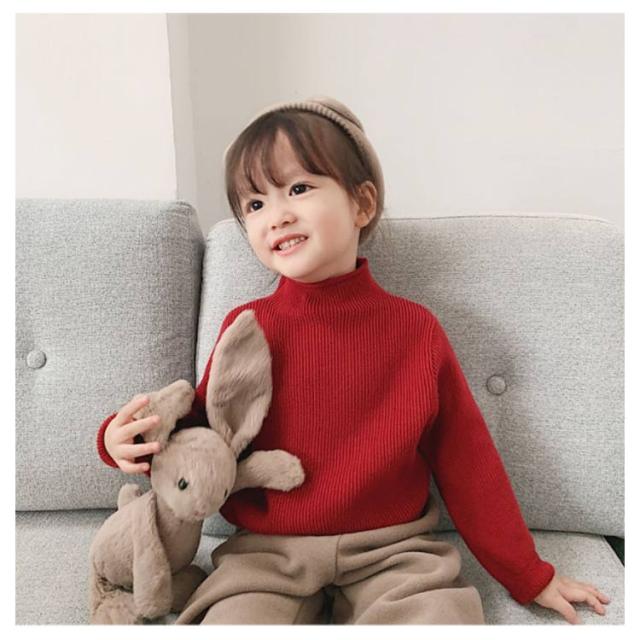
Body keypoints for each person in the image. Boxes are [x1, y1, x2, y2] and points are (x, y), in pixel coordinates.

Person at [96, 96, 610, 625]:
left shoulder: (416, 331)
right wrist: (122, 439)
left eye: (298, 189)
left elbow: (468, 462)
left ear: (361, 204)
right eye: (255, 204)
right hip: (267, 554)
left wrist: (529, 573)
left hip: (394, 552)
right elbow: (203, 434)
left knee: (439, 621)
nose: (278, 215)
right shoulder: (248, 327)